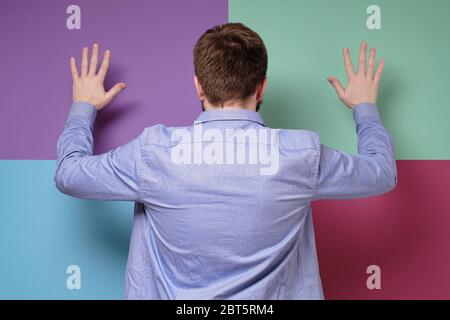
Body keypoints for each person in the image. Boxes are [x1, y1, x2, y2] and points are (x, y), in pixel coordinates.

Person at [54, 22, 397, 299]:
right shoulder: (301, 155)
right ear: (261, 88)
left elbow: (69, 174)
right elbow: (381, 173)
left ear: (199, 87)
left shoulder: (153, 151)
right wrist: (364, 107)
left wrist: (83, 106)